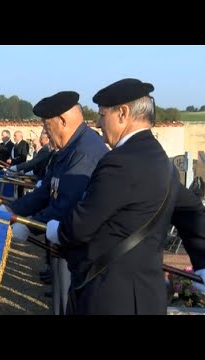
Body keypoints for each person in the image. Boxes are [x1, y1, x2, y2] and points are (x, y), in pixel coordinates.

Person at [46, 78, 186, 315]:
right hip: (146, 293)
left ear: (122, 113)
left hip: (111, 293)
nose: (99, 123)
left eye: (102, 115)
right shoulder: (160, 158)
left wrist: (54, 230)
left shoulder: (120, 161)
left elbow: (83, 224)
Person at [6, 91, 109, 315]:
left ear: (62, 121)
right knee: (61, 300)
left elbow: (67, 203)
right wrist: (9, 211)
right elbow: (45, 192)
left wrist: (28, 224)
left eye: (46, 125)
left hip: (77, 245)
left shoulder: (85, 151)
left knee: (67, 303)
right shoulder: (69, 148)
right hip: (62, 239)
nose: (45, 131)